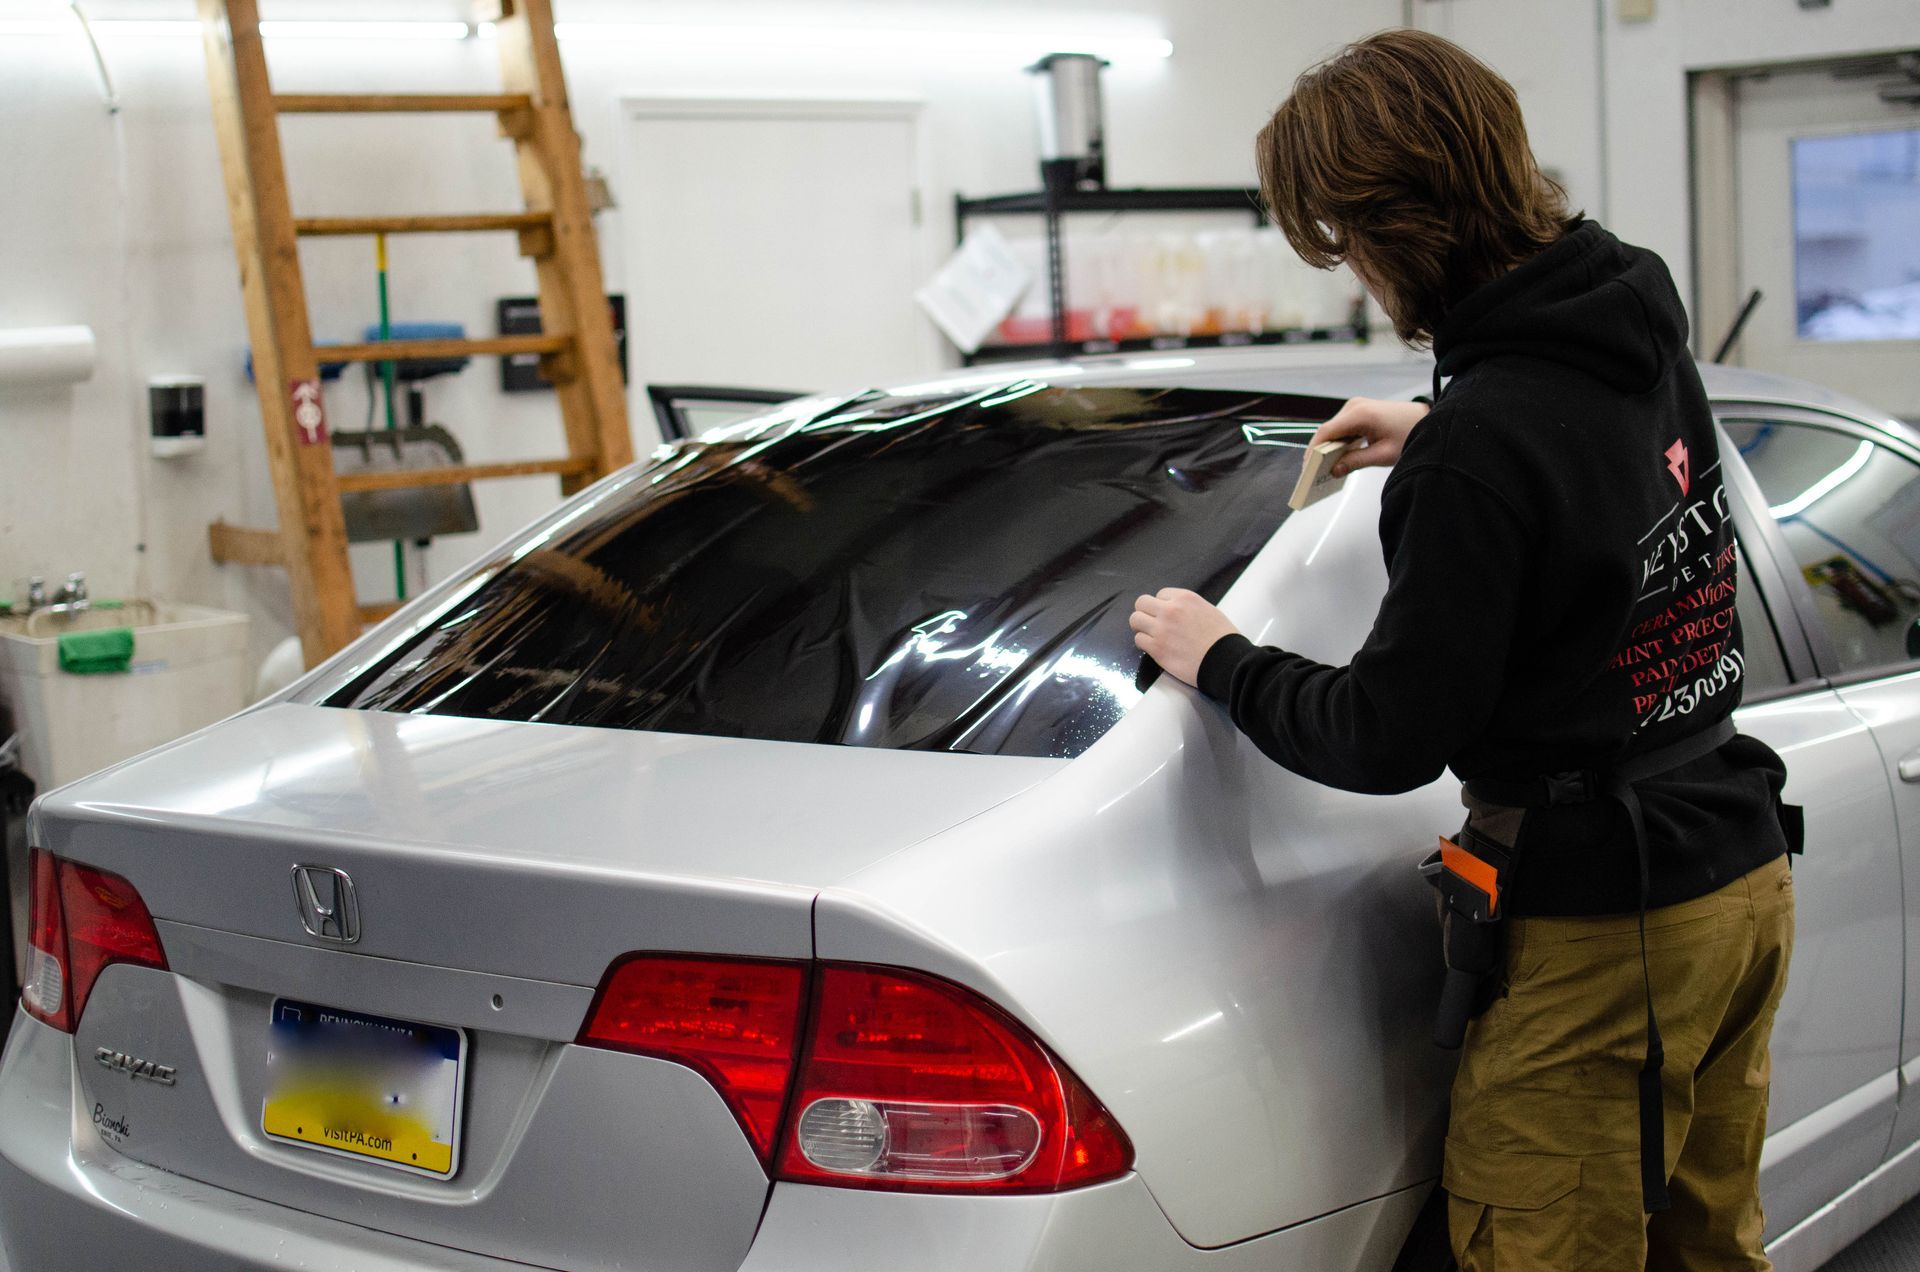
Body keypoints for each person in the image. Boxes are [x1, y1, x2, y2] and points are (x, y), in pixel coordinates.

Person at [1128, 29, 1795, 1271]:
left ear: (1388, 230)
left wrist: (1220, 655)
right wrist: (1442, 422)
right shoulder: (1627, 303)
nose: (1356, 282)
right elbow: (1595, 480)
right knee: (1708, 1248)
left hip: (1609, 931)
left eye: (1345, 247)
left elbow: (1389, 736)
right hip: (1737, 869)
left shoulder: (1482, 451)